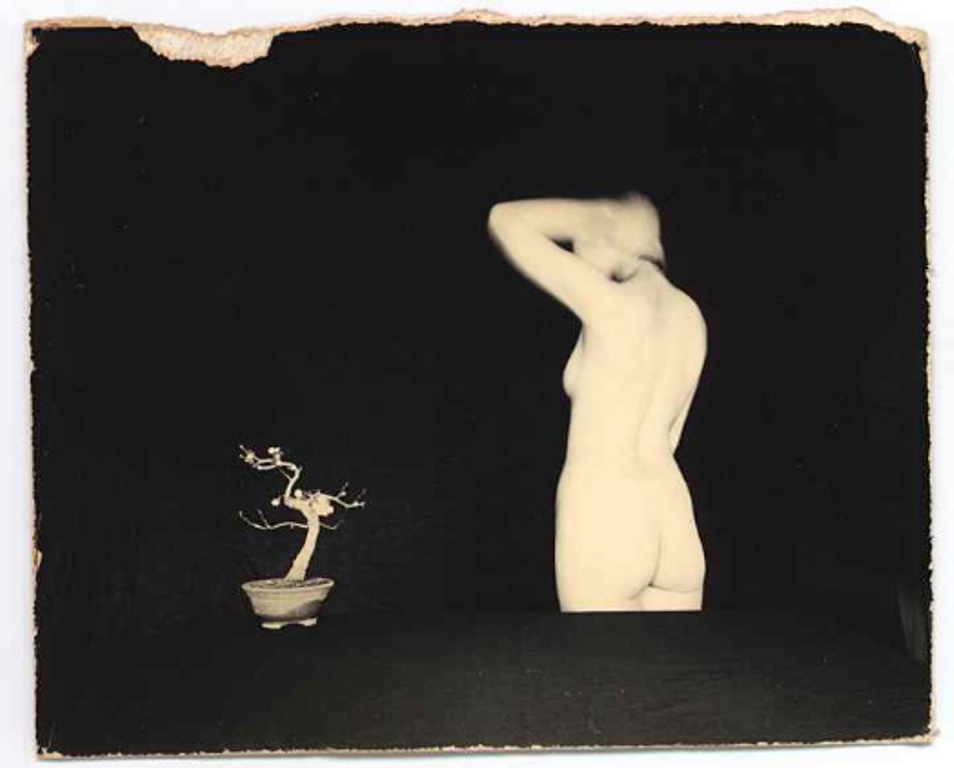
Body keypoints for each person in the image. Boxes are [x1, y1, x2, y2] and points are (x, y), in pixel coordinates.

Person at [487, 194, 707, 611]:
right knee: (675, 656)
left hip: (605, 506)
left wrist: (594, 216)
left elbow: (504, 219)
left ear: (608, 237)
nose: (578, 255)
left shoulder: (608, 303)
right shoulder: (690, 316)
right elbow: (672, 437)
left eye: (580, 243)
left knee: (599, 656)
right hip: (673, 513)